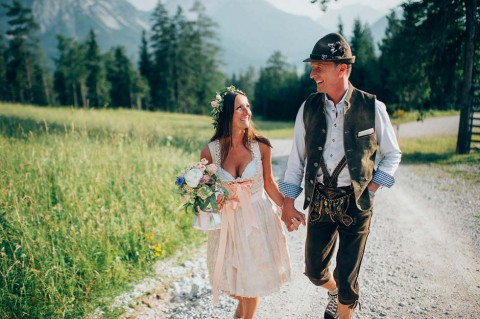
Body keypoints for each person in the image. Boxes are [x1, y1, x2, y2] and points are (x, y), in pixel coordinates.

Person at [279, 33, 402, 319]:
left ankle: (344, 302)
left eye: (318, 68)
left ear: (341, 69)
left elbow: (393, 154)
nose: (312, 74)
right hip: (320, 199)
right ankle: (334, 292)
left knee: (348, 278)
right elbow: (296, 161)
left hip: (356, 203)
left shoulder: (373, 107)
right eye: (312, 68)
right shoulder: (308, 108)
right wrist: (288, 203)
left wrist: (372, 188)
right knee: (314, 271)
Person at [200, 86, 292, 319]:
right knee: (227, 279)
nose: (246, 112)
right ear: (226, 115)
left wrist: (287, 210)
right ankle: (240, 312)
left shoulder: (261, 146)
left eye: (248, 106)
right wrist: (212, 199)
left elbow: (270, 184)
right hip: (228, 222)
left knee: (253, 279)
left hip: (257, 220)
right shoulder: (210, 151)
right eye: (239, 107)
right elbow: (205, 190)